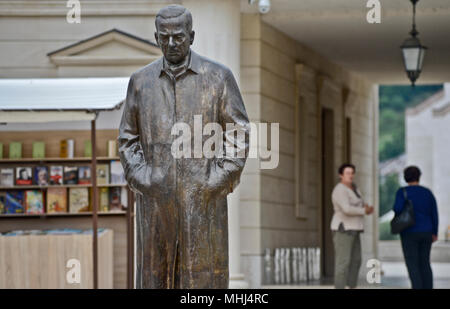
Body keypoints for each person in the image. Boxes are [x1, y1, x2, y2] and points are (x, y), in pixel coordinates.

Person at [118, 5, 250, 288]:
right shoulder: (140, 82)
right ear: (155, 38)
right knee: (156, 276)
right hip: (156, 200)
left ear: (192, 36)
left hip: (203, 199)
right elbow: (127, 139)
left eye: (178, 36)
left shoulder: (218, 77)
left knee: (204, 278)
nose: (171, 43)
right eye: (164, 37)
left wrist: (216, 180)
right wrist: (144, 178)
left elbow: (238, 133)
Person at [393, 166, 439, 289]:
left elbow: (397, 209)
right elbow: (434, 213)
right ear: (419, 176)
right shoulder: (427, 192)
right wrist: (435, 232)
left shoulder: (402, 192)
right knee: (425, 263)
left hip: (409, 232)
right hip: (427, 232)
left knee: (413, 264)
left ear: (405, 177)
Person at [331, 163, 374, 289]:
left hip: (355, 228)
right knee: (343, 262)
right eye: (347, 173)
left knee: (356, 260)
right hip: (343, 229)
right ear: (341, 175)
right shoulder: (339, 189)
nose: (350, 175)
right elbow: (346, 209)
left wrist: (366, 208)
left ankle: (352, 286)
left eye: (352, 173)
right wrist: (363, 211)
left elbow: (358, 204)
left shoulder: (354, 188)